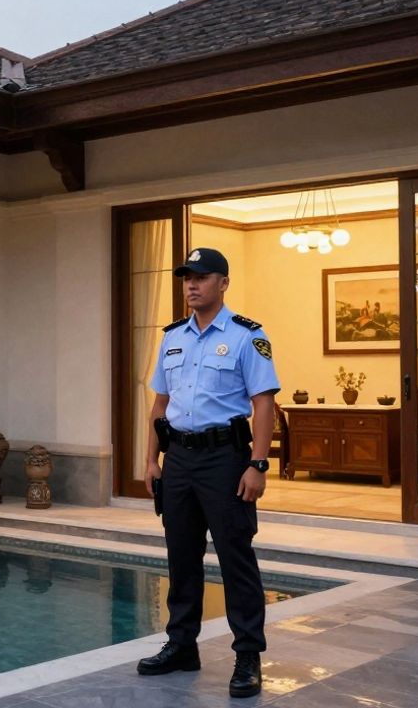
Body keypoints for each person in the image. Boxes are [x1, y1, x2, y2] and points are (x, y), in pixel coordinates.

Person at [136, 247, 279, 700]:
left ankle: (248, 656)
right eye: (187, 278)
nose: (192, 285)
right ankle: (181, 645)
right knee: (181, 557)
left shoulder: (246, 336)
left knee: (235, 558)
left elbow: (264, 404)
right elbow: (160, 404)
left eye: (200, 277)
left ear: (223, 283)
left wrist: (258, 464)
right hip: (179, 459)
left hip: (225, 460)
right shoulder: (173, 338)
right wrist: (151, 460)